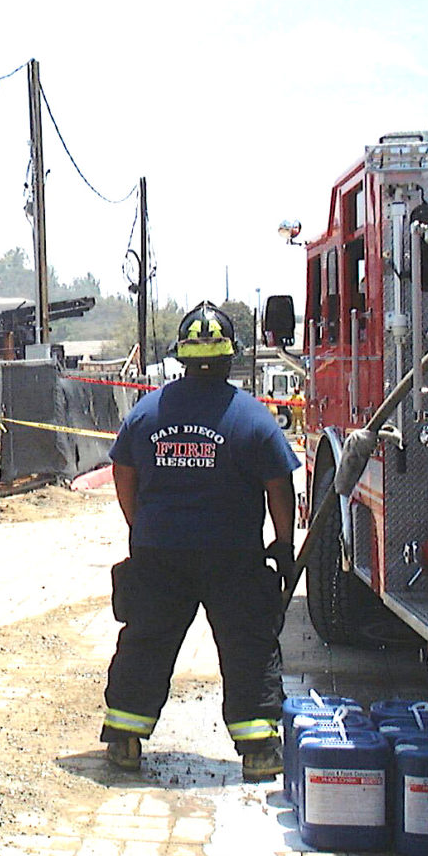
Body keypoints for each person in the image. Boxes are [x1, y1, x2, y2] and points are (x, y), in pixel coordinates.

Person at [101, 301, 301, 782]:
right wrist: (284, 545)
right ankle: (257, 750)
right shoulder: (253, 417)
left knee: (146, 640)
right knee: (248, 646)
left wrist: (140, 527)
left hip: (158, 555)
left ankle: (126, 739)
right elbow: (280, 485)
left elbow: (122, 471)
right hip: (233, 557)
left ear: (180, 357)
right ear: (231, 357)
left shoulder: (147, 412)